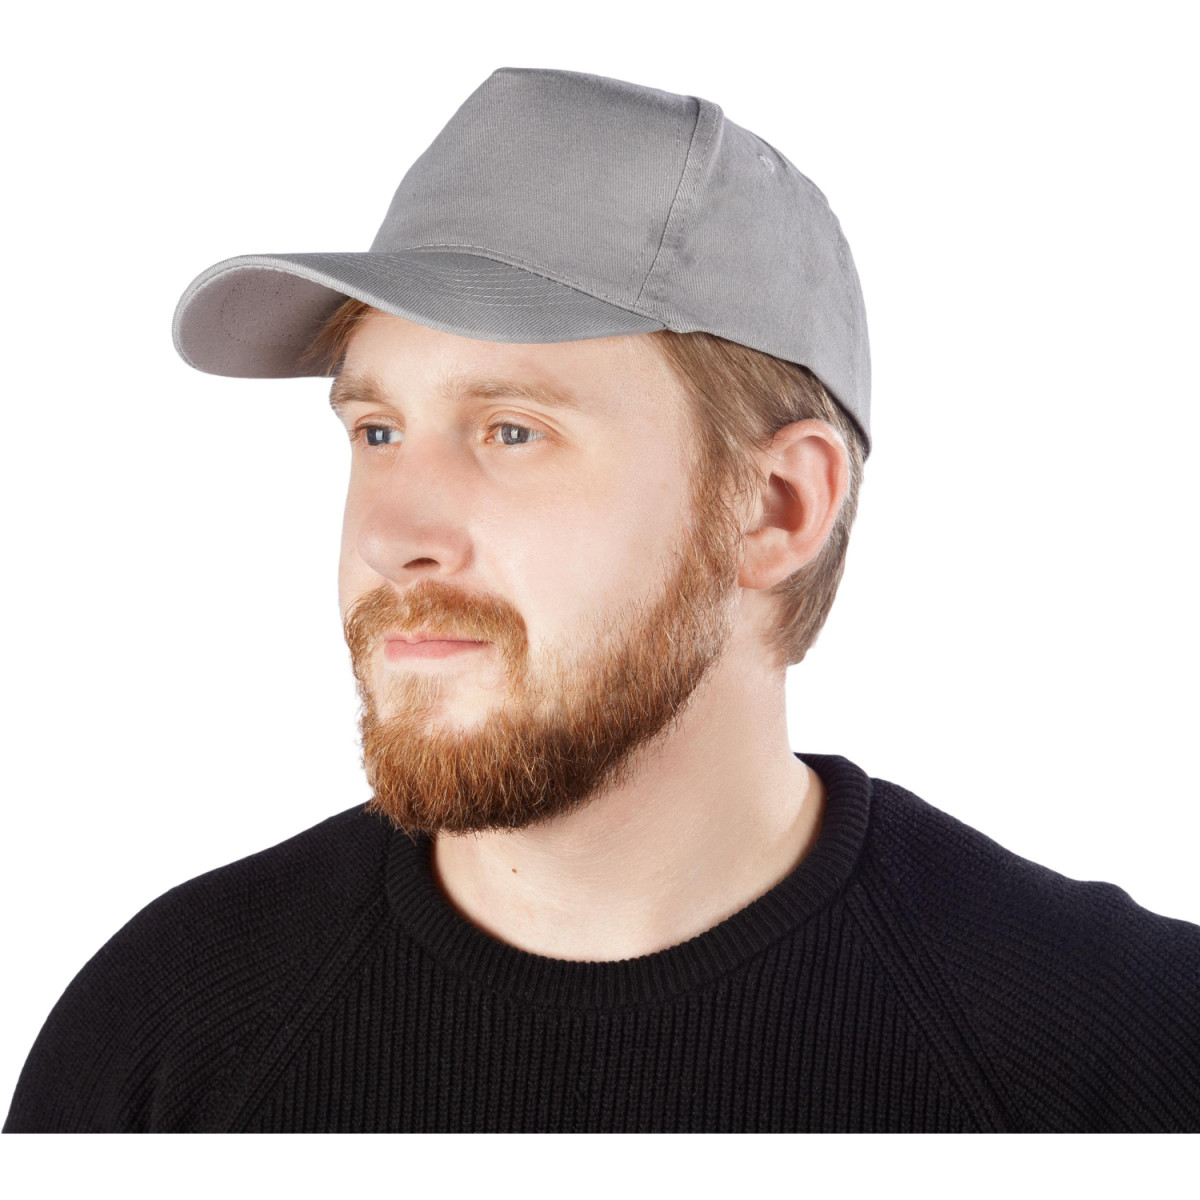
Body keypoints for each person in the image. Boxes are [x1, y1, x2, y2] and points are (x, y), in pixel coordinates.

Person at [4, 65, 1198, 1134]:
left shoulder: (1127, 1060)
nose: (389, 537)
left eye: (512, 430)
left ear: (777, 507)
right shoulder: (166, 1037)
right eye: (376, 430)